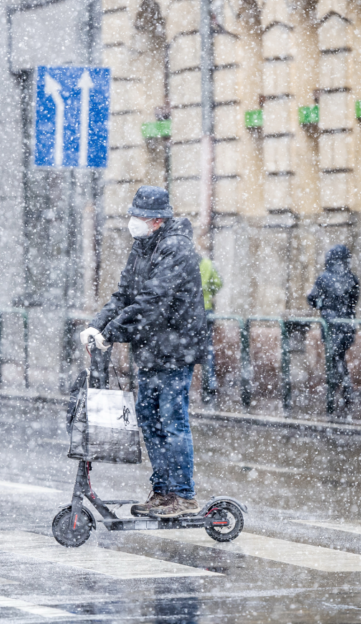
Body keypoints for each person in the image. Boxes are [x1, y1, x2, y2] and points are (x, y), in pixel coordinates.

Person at [79, 185, 208, 519]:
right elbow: (123, 294)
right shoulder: (142, 247)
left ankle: (182, 494)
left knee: (171, 419)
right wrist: (98, 325)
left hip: (175, 350)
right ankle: (163, 492)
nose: (132, 221)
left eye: (138, 215)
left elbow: (153, 300)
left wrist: (113, 332)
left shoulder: (175, 248)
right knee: (150, 419)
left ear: (156, 220)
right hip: (151, 350)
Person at [307, 244, 360, 405]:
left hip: (331, 324)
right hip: (347, 323)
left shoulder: (324, 277)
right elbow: (354, 300)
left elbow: (312, 298)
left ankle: (340, 389)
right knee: (339, 356)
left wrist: (322, 305)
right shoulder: (352, 278)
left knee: (335, 357)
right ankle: (342, 389)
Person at [199, 257, 222, 404]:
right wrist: (208, 293)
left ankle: (181, 383)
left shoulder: (182, 261)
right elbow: (218, 283)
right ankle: (210, 382)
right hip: (206, 310)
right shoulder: (207, 263)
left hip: (189, 312)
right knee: (207, 349)